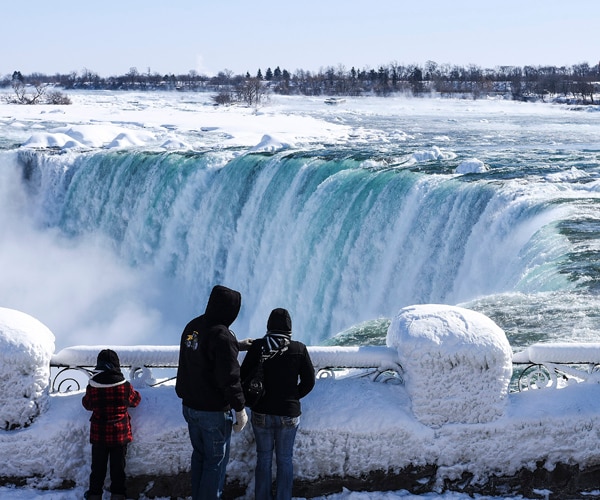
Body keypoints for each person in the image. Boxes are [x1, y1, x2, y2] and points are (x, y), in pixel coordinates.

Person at [175, 284, 248, 500]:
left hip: (190, 406)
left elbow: (202, 351)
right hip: (212, 412)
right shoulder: (222, 336)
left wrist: (237, 344)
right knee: (215, 463)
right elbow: (230, 377)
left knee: (199, 456)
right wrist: (240, 409)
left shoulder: (193, 326)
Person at [240, 308, 315, 500]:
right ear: (289, 328)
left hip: (261, 413)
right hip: (288, 413)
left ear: (269, 326)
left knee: (263, 459)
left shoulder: (258, 347)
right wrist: (293, 397)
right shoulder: (299, 349)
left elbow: (242, 376)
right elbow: (309, 381)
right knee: (285, 460)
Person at [82, 349, 142, 500]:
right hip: (120, 434)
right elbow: (135, 401)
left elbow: (87, 404)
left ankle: (94, 495)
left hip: (99, 434)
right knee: (118, 468)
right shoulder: (125, 386)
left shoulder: (93, 386)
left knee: (97, 469)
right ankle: (118, 495)